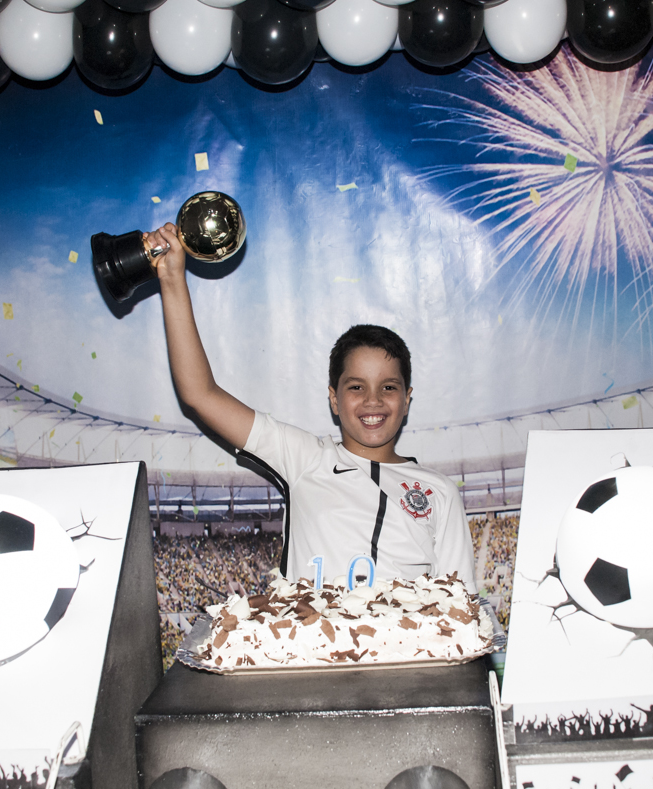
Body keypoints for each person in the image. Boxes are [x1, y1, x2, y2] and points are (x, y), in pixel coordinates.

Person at [146, 225, 476, 592]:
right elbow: (200, 394)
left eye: (388, 387)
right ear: (334, 399)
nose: (373, 401)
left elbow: (462, 609)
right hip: (311, 649)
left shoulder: (439, 492)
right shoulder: (304, 459)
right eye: (356, 387)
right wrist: (172, 278)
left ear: (407, 398)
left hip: (412, 651)